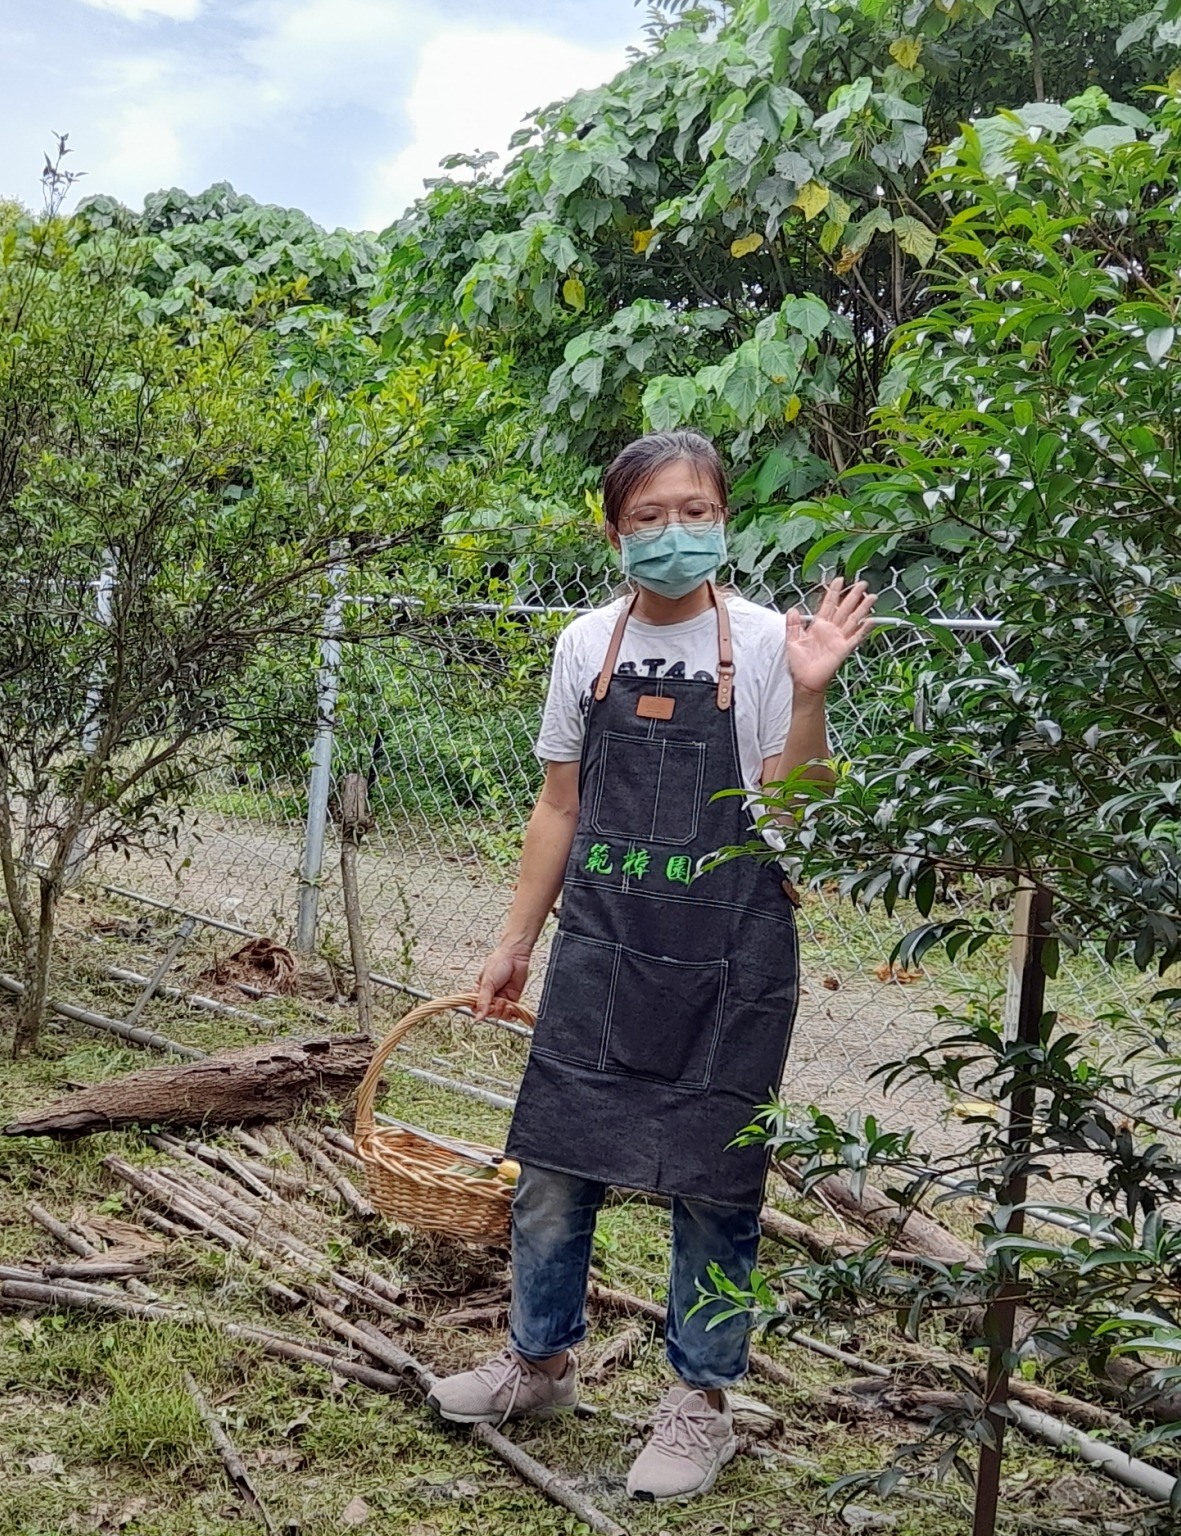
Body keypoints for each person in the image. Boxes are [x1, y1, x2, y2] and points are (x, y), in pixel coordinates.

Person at [425, 429, 874, 1502]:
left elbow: (796, 823)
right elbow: (557, 806)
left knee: (715, 1186)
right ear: (612, 529)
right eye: (646, 519)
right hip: (604, 945)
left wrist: (809, 694)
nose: (672, 534)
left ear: (723, 516)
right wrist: (513, 942)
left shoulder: (772, 642)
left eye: (692, 512)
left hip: (727, 955)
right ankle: (537, 1362)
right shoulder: (587, 645)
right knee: (551, 1165)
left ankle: (699, 1402)